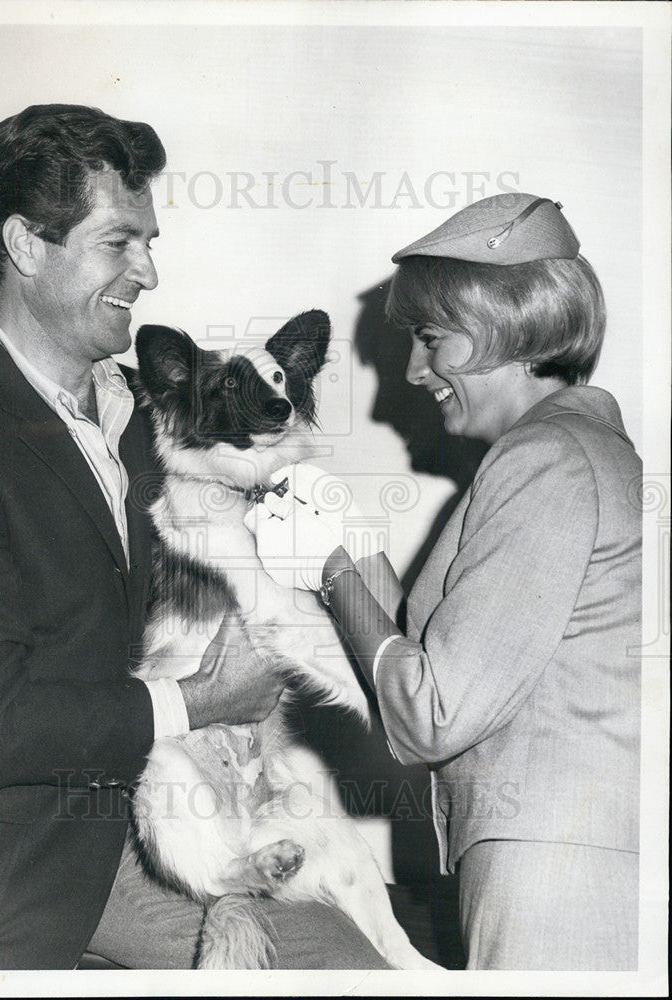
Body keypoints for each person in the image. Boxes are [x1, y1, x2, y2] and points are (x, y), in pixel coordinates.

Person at [0, 103, 395, 970]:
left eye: (151, 240)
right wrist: (199, 702)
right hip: (40, 862)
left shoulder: (162, 409)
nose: (150, 272)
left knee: (369, 957)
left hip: (212, 797)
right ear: (25, 245)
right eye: (119, 242)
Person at [247, 193, 641, 971]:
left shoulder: (549, 460)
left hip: (554, 872)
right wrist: (347, 537)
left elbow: (435, 710)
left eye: (431, 339)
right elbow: (433, 648)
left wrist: (329, 571)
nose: (413, 370)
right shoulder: (571, 449)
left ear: (507, 329)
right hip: (554, 856)